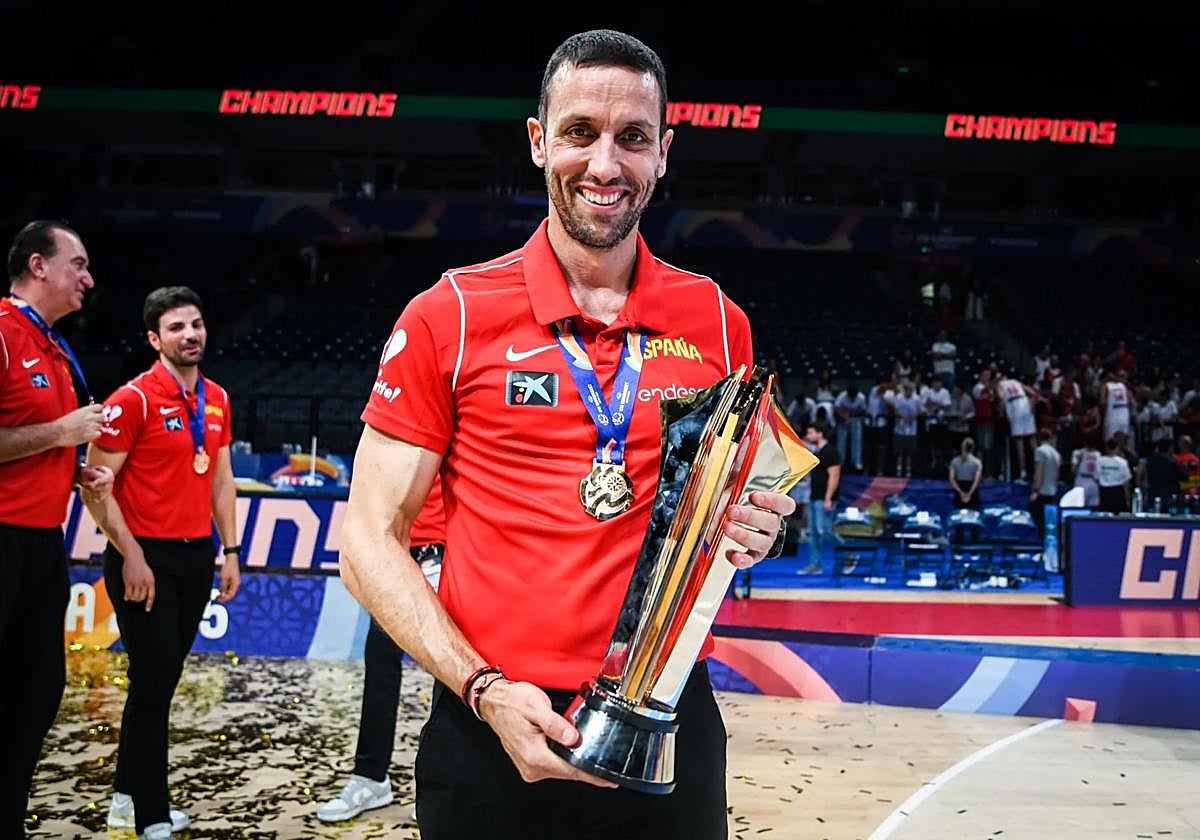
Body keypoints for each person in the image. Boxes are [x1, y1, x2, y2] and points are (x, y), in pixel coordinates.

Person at [338, 30, 795, 840]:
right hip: (492, 720)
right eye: (581, 132)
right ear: (538, 140)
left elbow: (737, 514)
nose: (606, 165)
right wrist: (482, 690)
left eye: (633, 138)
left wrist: (759, 530)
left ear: (664, 153)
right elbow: (369, 542)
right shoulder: (450, 315)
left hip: (667, 722)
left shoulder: (721, 323)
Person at [84, 286, 240, 840]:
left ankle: (127, 796)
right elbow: (96, 489)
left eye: (195, 323)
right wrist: (131, 556)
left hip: (197, 556)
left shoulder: (217, 397)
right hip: (143, 559)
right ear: (154, 339)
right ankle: (151, 813)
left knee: (162, 682)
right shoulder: (133, 400)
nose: (190, 334)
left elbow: (221, 480)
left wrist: (232, 552)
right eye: (176, 327)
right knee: (153, 685)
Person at [0, 220, 113, 838]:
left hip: (44, 542)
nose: (88, 279)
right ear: (38, 266)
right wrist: (61, 435)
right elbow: (42, 430)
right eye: (79, 263)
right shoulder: (2, 331)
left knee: (38, 692)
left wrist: (75, 469)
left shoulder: (52, 347)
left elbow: (35, 436)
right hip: (4, 536)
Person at [317, 484, 446, 823]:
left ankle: (444, 788)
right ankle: (371, 777)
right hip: (396, 553)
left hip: (448, 551)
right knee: (380, 663)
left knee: (455, 674)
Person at [800, 421, 841, 574]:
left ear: (820, 434)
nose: (808, 436)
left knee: (824, 530)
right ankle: (815, 564)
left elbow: (834, 476)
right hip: (814, 496)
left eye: (811, 433)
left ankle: (848, 552)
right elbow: (813, 476)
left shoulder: (831, 452)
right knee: (814, 533)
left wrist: (828, 498)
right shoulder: (817, 452)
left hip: (824, 498)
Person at [998, 373, 1037, 480]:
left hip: (1014, 407)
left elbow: (1001, 398)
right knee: (1032, 441)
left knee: (1019, 443)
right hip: (1025, 404)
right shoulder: (1016, 381)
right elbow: (1033, 394)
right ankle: (1038, 470)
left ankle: (1023, 473)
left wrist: (1001, 413)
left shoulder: (1000, 384)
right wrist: (1032, 405)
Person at [1030, 429, 1062, 533]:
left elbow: (1039, 470)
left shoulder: (1040, 451)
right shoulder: (1056, 453)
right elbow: (1057, 474)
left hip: (1042, 491)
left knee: (1038, 519)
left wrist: (1036, 490)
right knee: (1049, 521)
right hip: (1052, 490)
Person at [892, 380, 922, 477]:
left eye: (910, 390)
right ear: (904, 390)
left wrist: (914, 415)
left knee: (910, 452)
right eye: (906, 390)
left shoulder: (917, 399)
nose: (908, 391)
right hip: (899, 428)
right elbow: (894, 410)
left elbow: (921, 411)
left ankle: (908, 472)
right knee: (899, 452)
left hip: (912, 430)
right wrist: (901, 416)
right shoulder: (899, 397)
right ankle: (898, 471)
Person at [834, 383, 865, 472]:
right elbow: (836, 407)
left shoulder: (861, 397)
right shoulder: (842, 396)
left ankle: (856, 462)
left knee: (857, 441)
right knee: (841, 441)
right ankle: (840, 462)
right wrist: (844, 416)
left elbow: (863, 410)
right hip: (843, 420)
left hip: (855, 419)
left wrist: (852, 415)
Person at [1097, 438, 1133, 514]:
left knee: (1104, 515)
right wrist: (1127, 497)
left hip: (1105, 492)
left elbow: (1096, 477)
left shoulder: (1099, 461)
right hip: (1117, 492)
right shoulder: (1122, 462)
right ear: (1117, 447)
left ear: (1106, 447)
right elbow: (1126, 481)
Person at [948, 437, 982, 508]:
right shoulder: (977, 462)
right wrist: (970, 493)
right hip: (972, 489)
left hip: (960, 487)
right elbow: (976, 481)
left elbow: (951, 479)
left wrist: (960, 492)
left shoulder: (954, 461)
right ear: (973, 448)